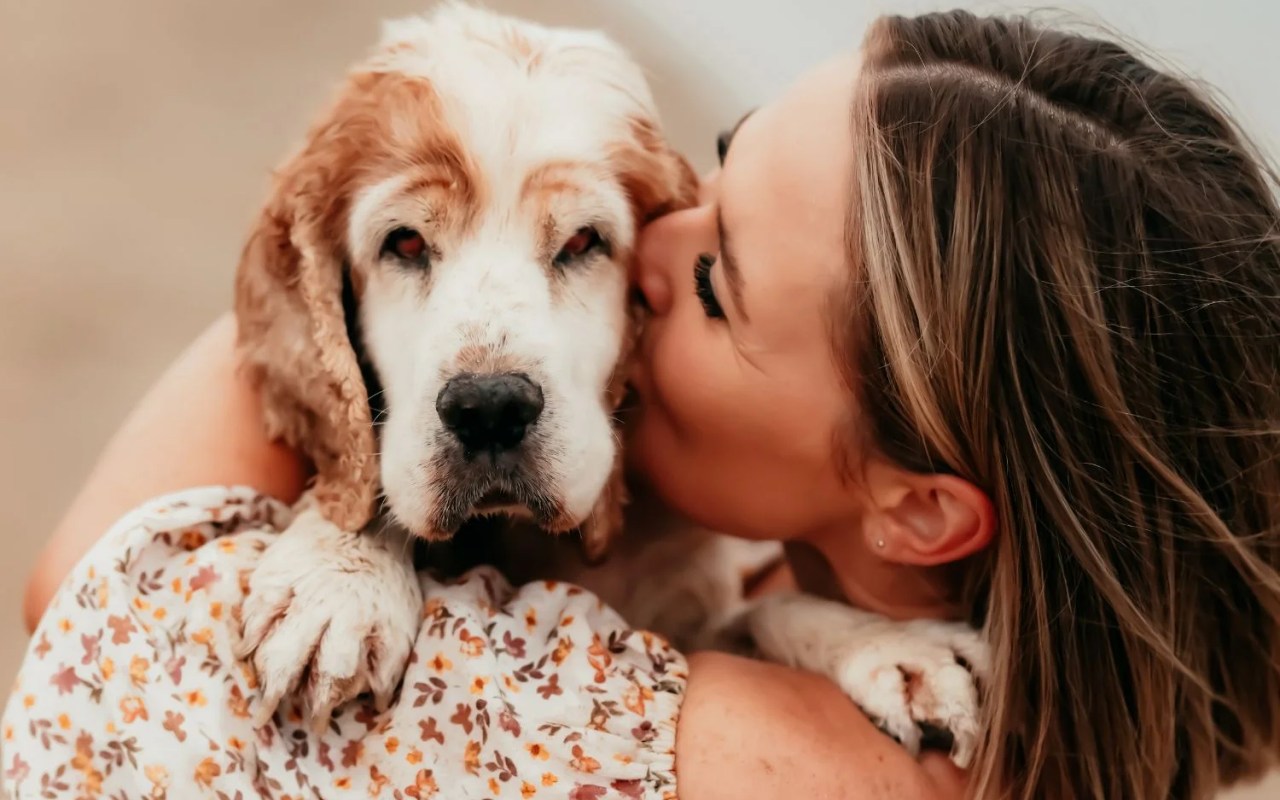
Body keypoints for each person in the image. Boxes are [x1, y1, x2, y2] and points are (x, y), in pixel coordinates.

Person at [14, 9, 1280, 800]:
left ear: (919, 503)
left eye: (718, 280)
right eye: (712, 174)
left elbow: (101, 598)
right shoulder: (1006, 709)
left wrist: (363, 242)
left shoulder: (654, 746)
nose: (655, 251)